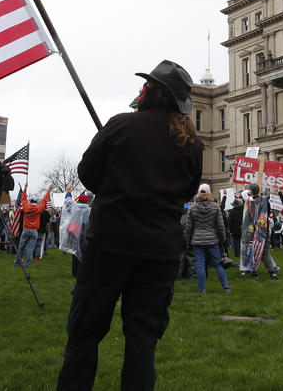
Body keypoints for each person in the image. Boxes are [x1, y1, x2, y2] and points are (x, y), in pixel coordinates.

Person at [57, 59, 203, 391]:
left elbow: (87, 174)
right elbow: (188, 191)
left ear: (158, 94)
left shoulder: (120, 126)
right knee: (142, 340)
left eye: (147, 86)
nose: (142, 91)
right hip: (159, 255)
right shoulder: (193, 146)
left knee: (84, 335)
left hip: (109, 247)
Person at [185, 184, 229, 294]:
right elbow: (220, 226)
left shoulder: (192, 208)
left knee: (200, 264)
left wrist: (187, 241)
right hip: (212, 239)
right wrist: (222, 240)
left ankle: (202, 290)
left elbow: (188, 227)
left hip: (197, 239)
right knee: (218, 263)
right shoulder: (215, 207)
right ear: (209, 193)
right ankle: (226, 287)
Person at [17, 188, 51, 267]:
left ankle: (19, 261)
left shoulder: (26, 207)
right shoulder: (39, 208)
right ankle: (29, 262)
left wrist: (25, 189)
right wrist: (49, 190)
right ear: (36, 201)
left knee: (22, 246)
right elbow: (44, 200)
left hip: (26, 229)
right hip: (35, 230)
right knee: (32, 247)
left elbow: (24, 199)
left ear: (30, 201)